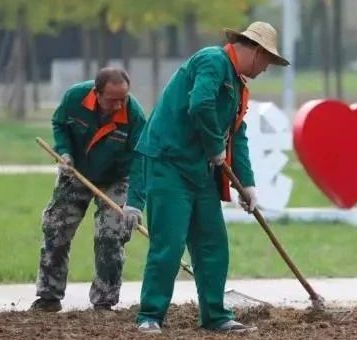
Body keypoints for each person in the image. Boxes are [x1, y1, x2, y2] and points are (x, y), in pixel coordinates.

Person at [121, 21, 289, 334]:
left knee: (213, 244)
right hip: (169, 164)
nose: (267, 68)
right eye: (268, 60)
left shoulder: (239, 88)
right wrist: (214, 148)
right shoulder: (212, 61)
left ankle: (215, 315)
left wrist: (248, 184)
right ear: (256, 50)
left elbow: (236, 135)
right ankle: (150, 315)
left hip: (201, 171)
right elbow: (201, 104)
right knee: (168, 245)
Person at [30, 67, 147, 312]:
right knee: (56, 227)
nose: (118, 105)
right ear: (97, 92)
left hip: (117, 177)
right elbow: (59, 124)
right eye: (113, 99)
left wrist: (135, 203)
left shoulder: (134, 115)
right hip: (77, 171)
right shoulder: (75, 98)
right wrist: (64, 152)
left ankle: (104, 301)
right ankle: (48, 297)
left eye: (123, 99)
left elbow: (141, 160)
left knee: (110, 233)